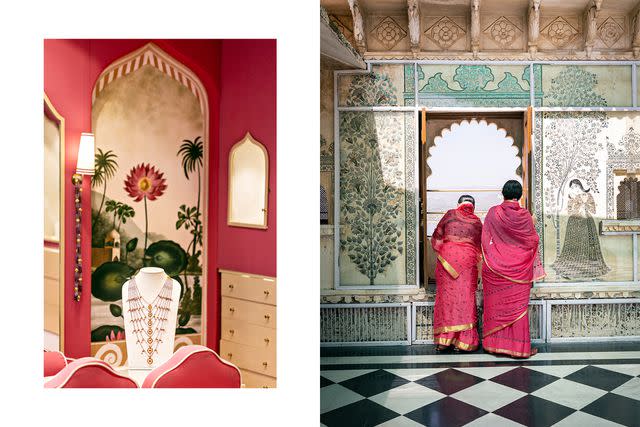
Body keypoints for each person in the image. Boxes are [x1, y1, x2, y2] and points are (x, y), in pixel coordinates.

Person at [481, 180, 545, 358]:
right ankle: (518, 349)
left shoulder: (493, 212)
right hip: (519, 270)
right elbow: (532, 241)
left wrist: (495, 257)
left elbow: (485, 240)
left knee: (495, 307)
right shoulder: (525, 216)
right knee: (518, 309)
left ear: (503, 193)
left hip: (495, 270)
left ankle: (493, 346)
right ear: (520, 195)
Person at [431, 195, 483, 351]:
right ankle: (464, 343)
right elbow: (481, 245)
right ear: (473, 206)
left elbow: (436, 238)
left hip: (446, 263)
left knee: (446, 300)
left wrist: (448, 251)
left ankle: (444, 342)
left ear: (458, 204)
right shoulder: (477, 222)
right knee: (465, 300)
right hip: (468, 264)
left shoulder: (449, 215)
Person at [552, 178, 609, 279]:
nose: (575, 189)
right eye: (573, 187)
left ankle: (590, 270)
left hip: (587, 223)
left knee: (588, 245)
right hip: (574, 223)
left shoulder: (588, 196)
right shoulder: (571, 197)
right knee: (573, 246)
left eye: (577, 186)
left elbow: (594, 210)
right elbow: (569, 211)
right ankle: (569, 270)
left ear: (581, 186)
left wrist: (585, 205)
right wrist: (577, 206)